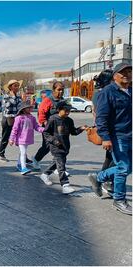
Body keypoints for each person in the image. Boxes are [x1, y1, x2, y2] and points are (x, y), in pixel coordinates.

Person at [88, 63, 132, 215]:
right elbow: (101, 118)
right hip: (117, 135)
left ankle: (98, 177)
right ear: (115, 76)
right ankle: (119, 200)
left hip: (130, 134)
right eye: (123, 72)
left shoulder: (130, 91)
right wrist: (106, 138)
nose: (127, 74)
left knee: (128, 167)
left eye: (129, 71)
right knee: (123, 167)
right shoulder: (107, 92)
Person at [40, 101, 87, 194]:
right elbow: (46, 132)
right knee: (61, 166)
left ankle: (45, 174)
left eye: (69, 111)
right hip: (55, 147)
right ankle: (65, 185)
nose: (67, 113)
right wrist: (54, 141)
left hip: (65, 147)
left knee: (57, 163)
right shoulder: (53, 119)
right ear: (59, 110)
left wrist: (81, 129)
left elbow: (74, 132)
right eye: (65, 110)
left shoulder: (69, 121)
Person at [32, 81, 66, 173]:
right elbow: (41, 113)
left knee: (60, 147)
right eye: (59, 90)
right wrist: (45, 123)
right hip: (48, 128)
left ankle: (56, 167)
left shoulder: (63, 100)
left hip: (59, 128)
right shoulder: (48, 100)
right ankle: (35, 160)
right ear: (53, 90)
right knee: (47, 147)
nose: (61, 92)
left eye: (62, 90)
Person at [92, 69, 115, 196]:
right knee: (120, 161)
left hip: (116, 130)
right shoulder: (102, 93)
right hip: (111, 130)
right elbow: (100, 116)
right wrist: (105, 135)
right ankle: (102, 179)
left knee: (110, 158)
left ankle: (103, 180)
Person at [8, 102, 44, 175]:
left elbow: (36, 126)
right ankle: (23, 168)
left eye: (30, 107)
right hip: (21, 139)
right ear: (23, 109)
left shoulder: (32, 117)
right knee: (23, 153)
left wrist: (43, 130)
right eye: (28, 107)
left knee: (22, 152)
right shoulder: (19, 118)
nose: (30, 109)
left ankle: (19, 165)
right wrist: (11, 139)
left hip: (27, 138)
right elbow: (14, 129)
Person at [0, 80, 23, 162]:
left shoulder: (18, 96)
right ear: (10, 87)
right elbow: (8, 105)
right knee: (5, 137)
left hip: (16, 118)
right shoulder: (6, 96)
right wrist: (14, 97)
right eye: (15, 86)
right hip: (8, 119)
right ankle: (1, 154)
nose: (17, 88)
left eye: (18, 86)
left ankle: (24, 155)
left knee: (21, 137)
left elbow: (20, 106)